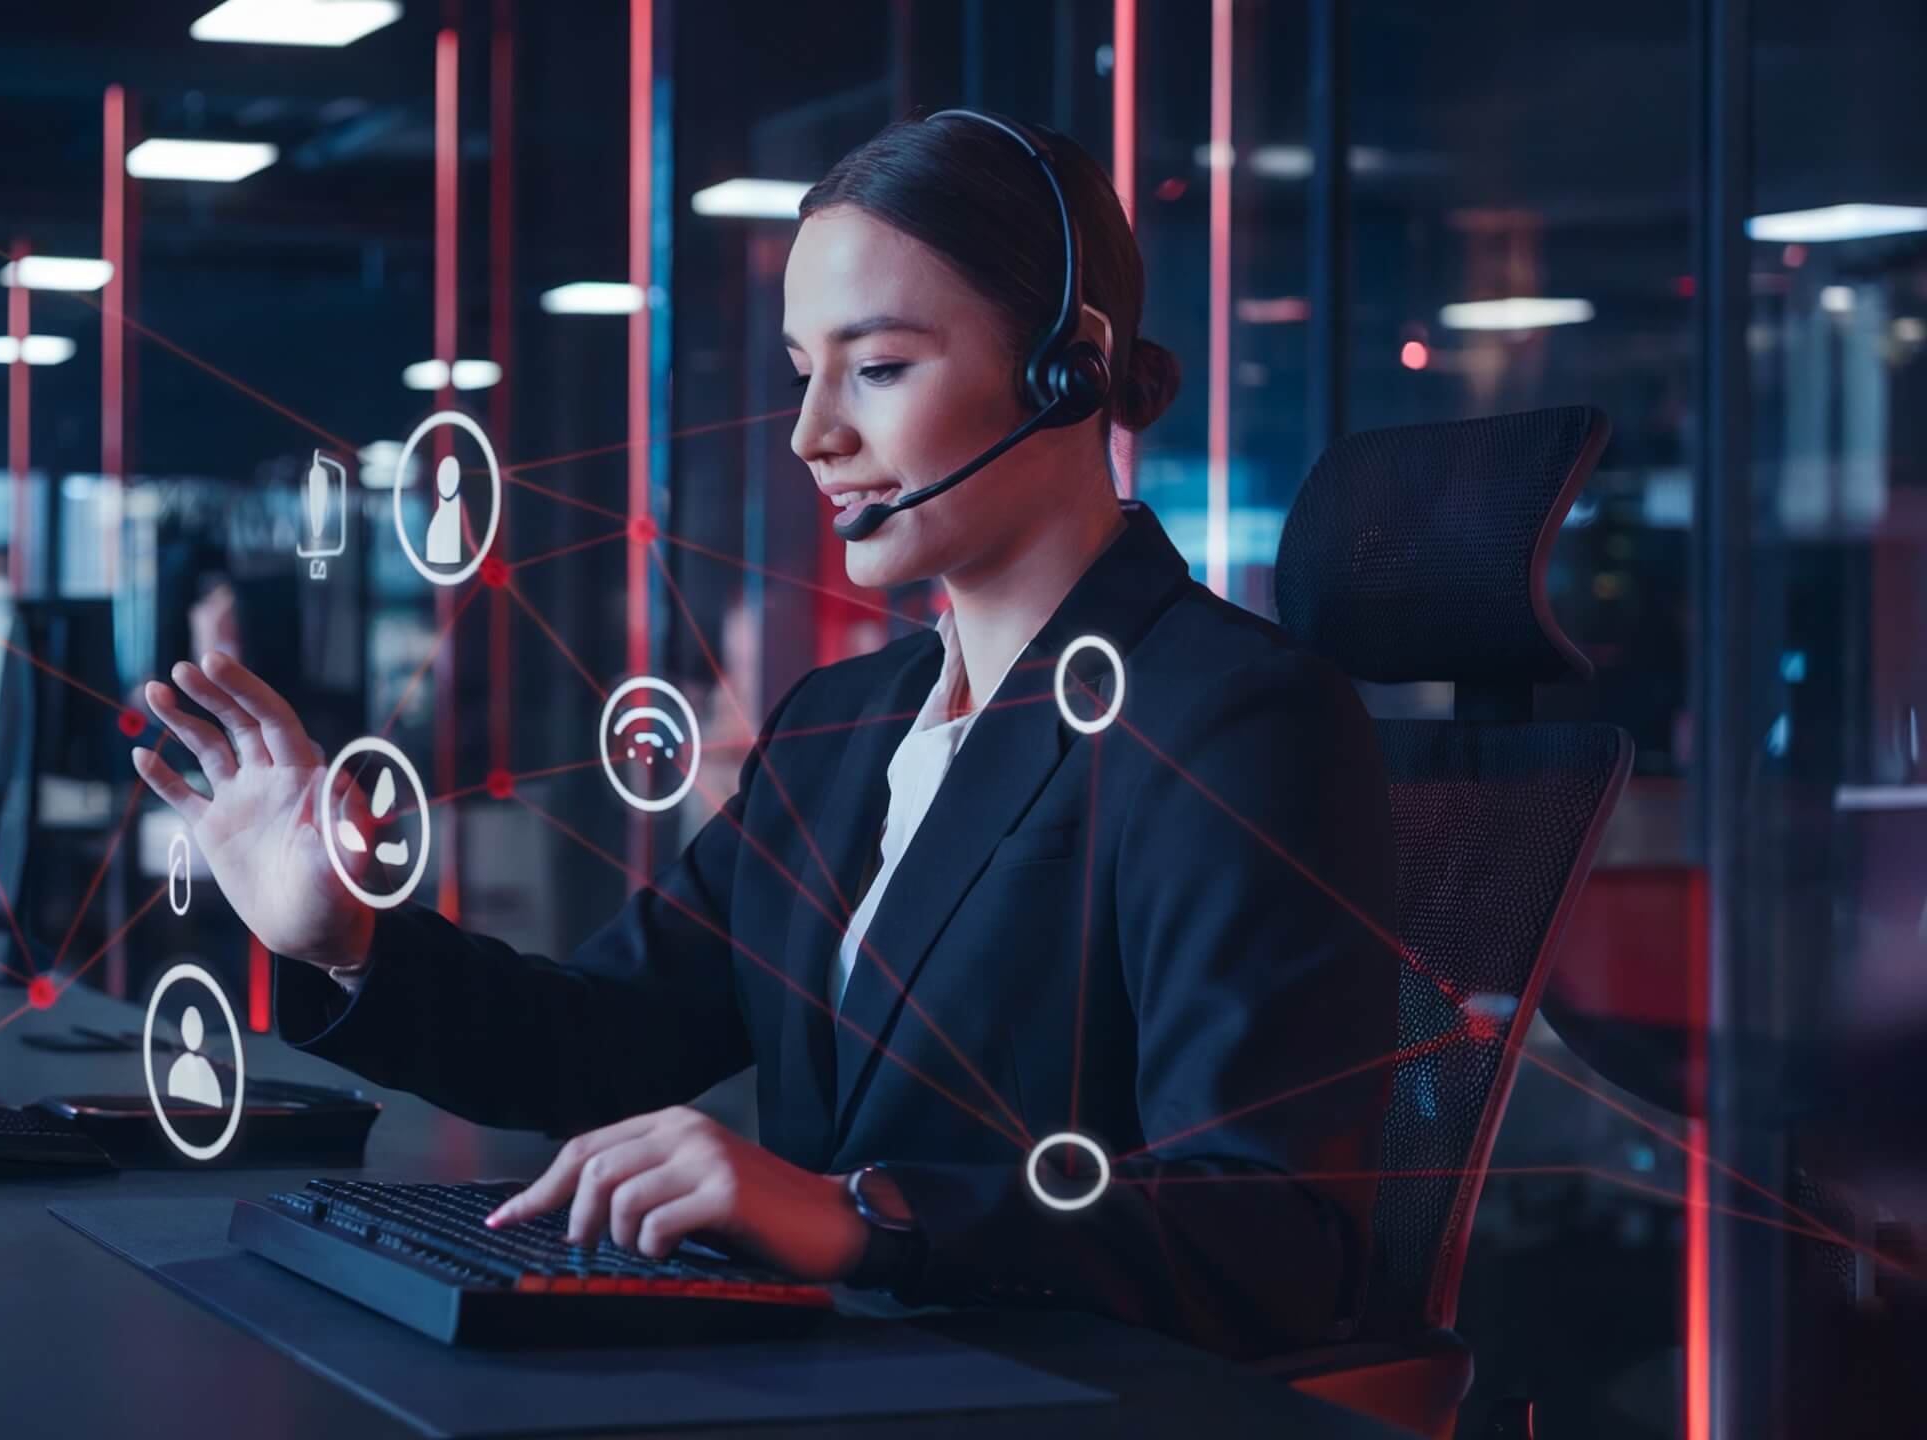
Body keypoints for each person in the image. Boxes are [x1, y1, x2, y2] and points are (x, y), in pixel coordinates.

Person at [132, 111, 1395, 1360]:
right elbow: (605, 1040)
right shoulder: (837, 727)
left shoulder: (1228, 718)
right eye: (804, 374)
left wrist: (861, 1216)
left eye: (880, 367)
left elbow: (1270, 1235)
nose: (812, 434)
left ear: (1067, 367)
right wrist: (345, 937)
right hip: (836, 1377)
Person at [166, 1005, 227, 1108]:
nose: (194, 1031)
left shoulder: (208, 1066)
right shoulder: (180, 1067)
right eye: (191, 1027)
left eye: (196, 1027)